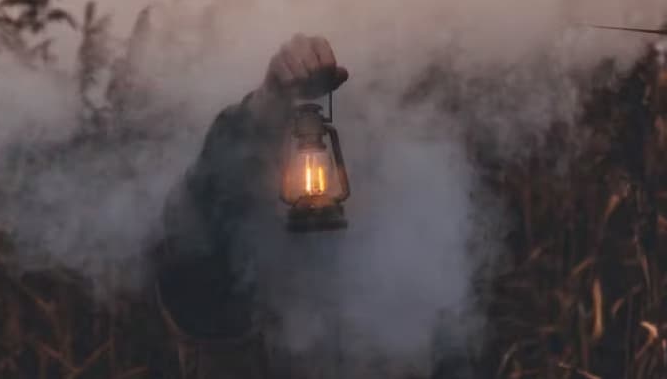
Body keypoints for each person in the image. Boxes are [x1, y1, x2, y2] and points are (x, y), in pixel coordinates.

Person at [153, 33, 473, 379]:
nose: (313, 175)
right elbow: (193, 224)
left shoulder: (413, 295)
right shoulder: (231, 289)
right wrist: (264, 108)